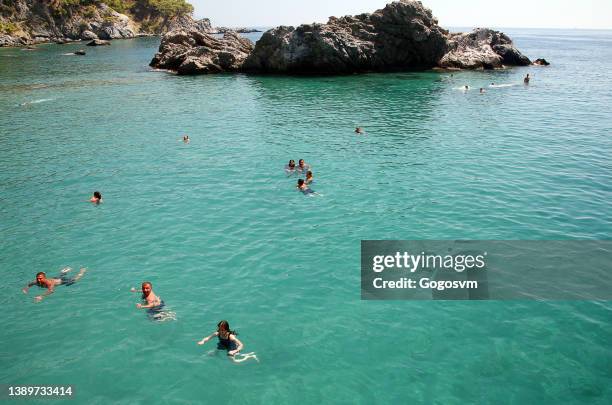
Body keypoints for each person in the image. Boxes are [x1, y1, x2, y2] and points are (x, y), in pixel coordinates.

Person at [22, 267, 87, 302]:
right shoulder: (36, 281)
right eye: (38, 278)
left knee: (75, 279)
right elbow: (30, 284)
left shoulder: (49, 283)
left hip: (62, 281)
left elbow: (51, 291)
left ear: (44, 278)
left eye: (40, 278)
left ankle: (82, 271)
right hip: (55, 279)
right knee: (59, 276)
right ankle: (65, 270)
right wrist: (26, 289)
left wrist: (41, 296)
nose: (39, 280)